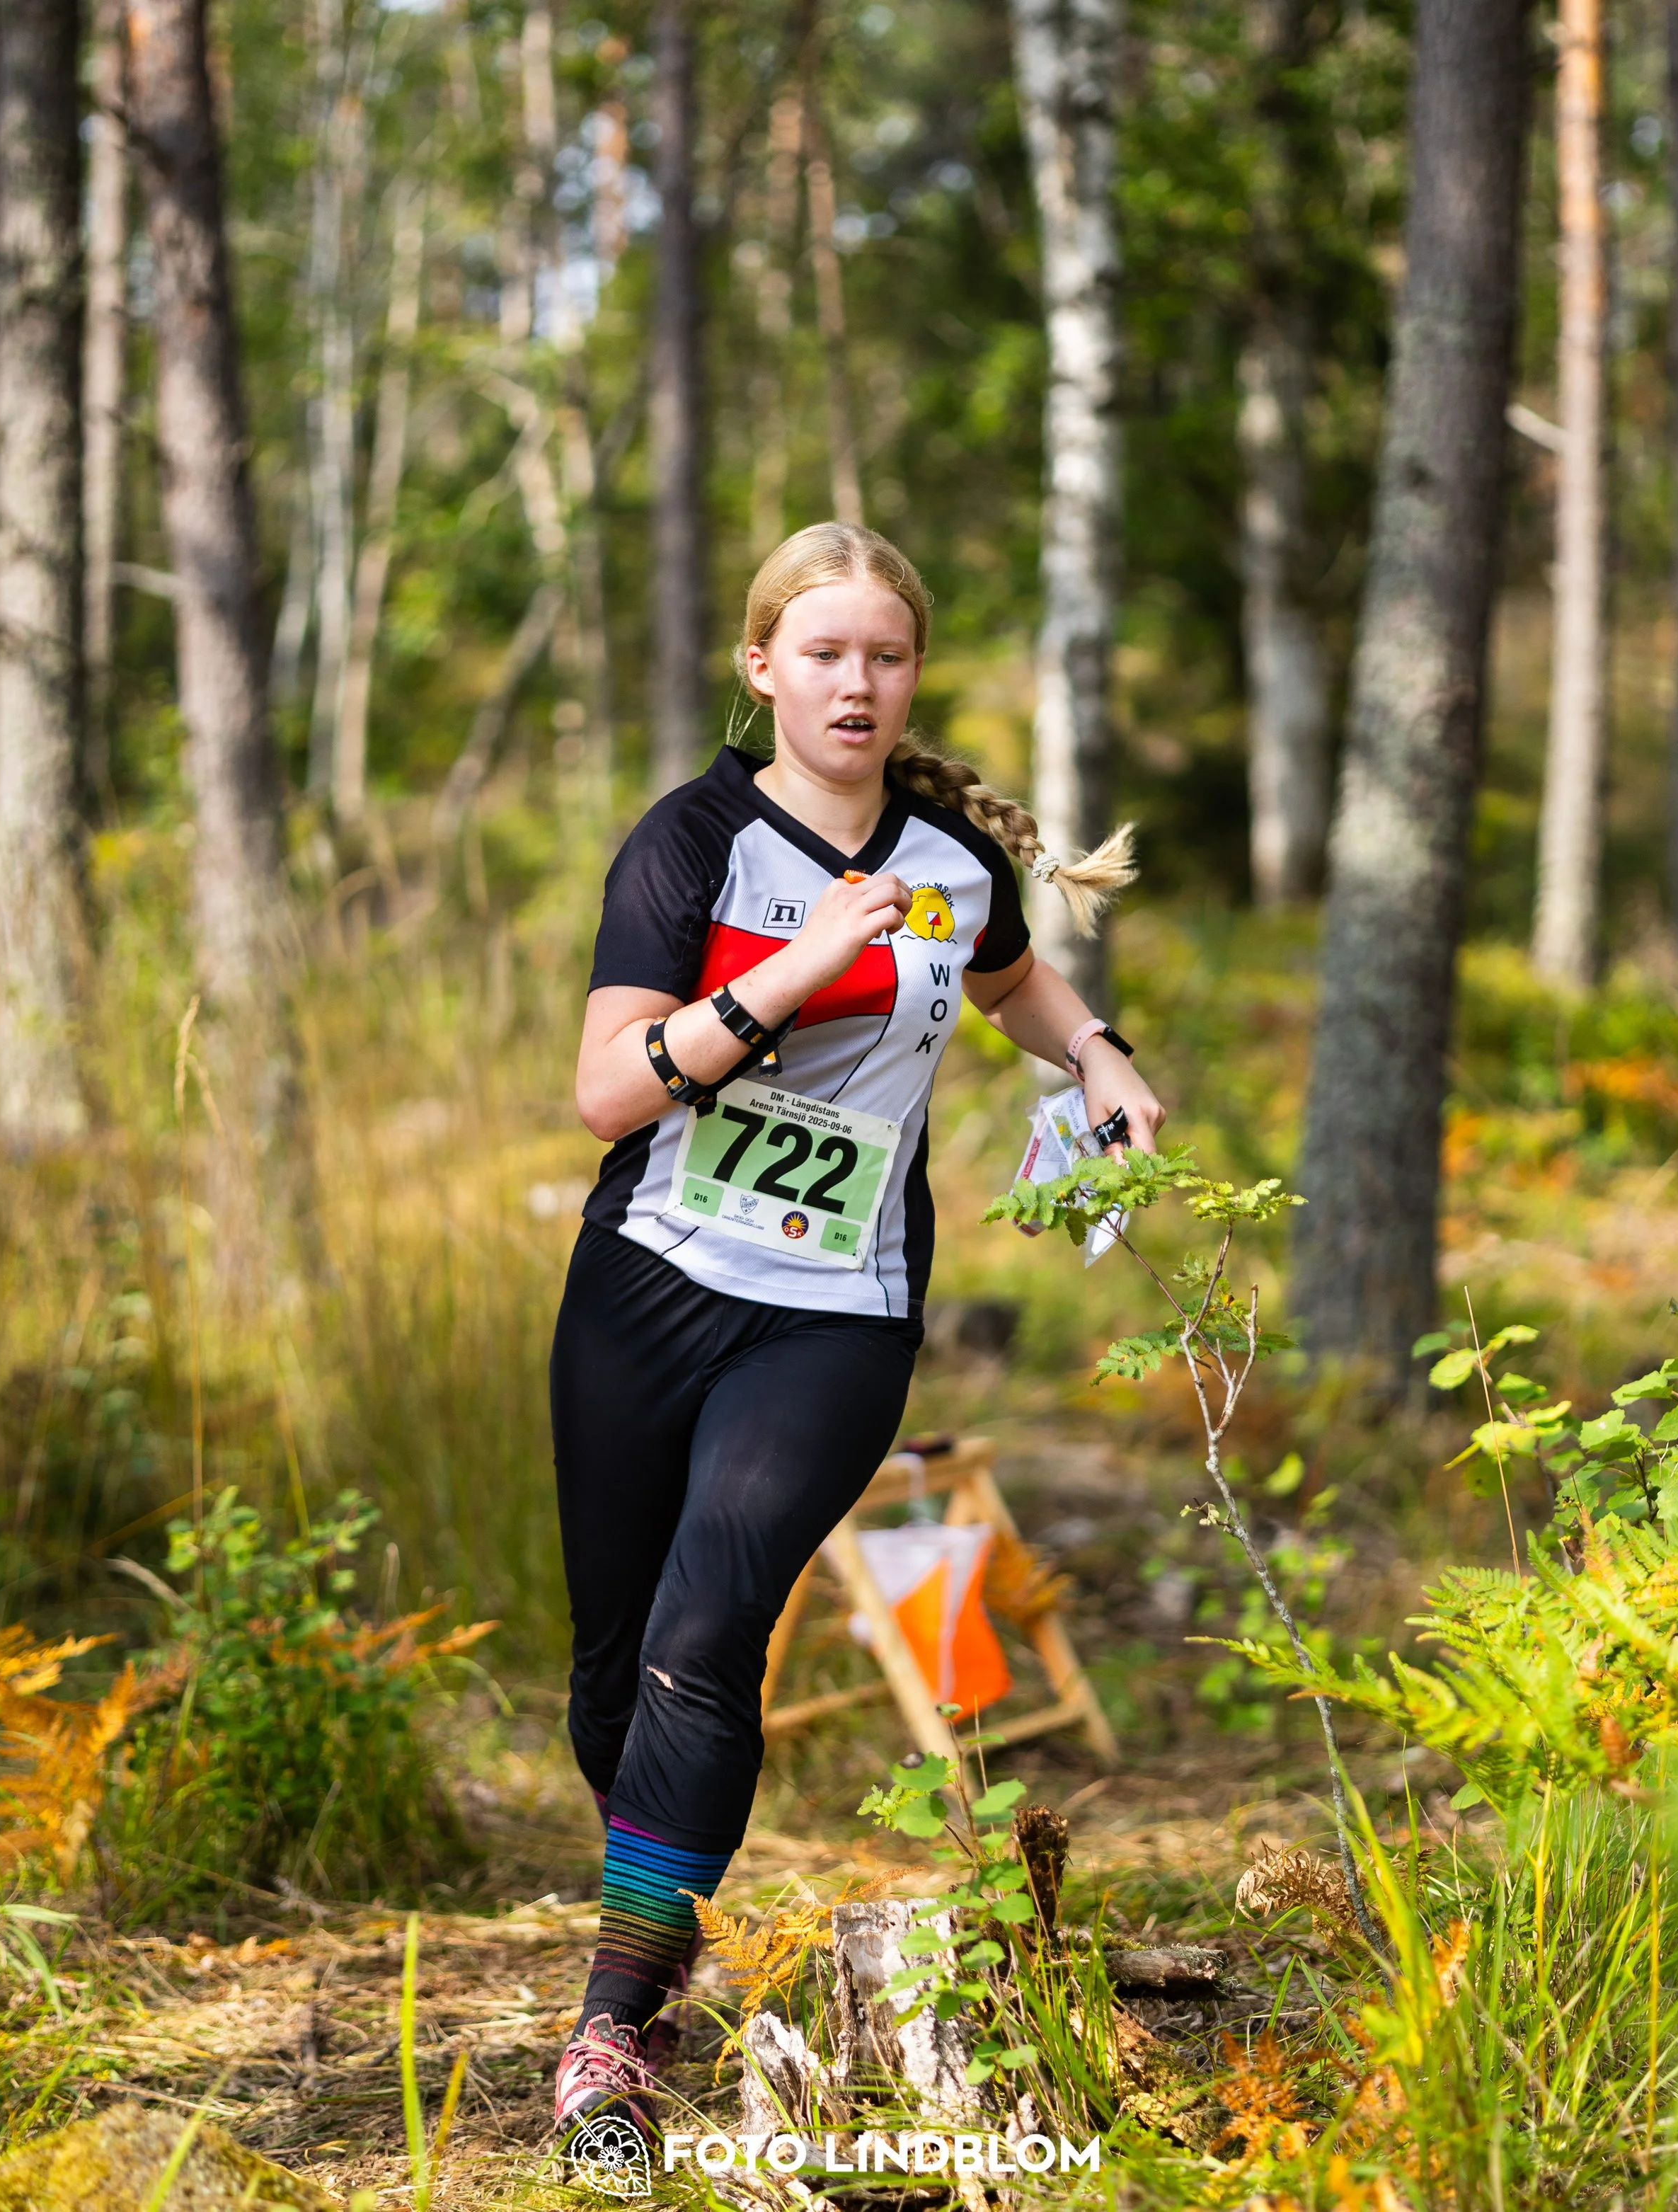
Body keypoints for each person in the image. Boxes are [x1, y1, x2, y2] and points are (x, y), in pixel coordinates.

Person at [551, 522, 1164, 2131]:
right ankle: (660, 1905)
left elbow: (1010, 978)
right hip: (648, 1279)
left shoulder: (948, 854)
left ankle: (612, 2031)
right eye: (822, 651)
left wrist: (1094, 1051)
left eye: (883, 654)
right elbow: (607, 1088)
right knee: (612, 1687)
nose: (855, 681)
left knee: (708, 1637)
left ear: (910, 676)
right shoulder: (689, 841)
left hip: (834, 1306)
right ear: (763, 667)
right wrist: (797, 968)